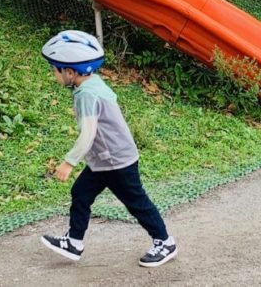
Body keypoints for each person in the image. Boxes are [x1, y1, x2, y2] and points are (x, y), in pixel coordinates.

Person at [39, 30, 177, 268]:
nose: (54, 74)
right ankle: (74, 242)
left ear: (70, 72)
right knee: (81, 194)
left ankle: (165, 242)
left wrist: (69, 162)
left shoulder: (86, 95)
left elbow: (89, 133)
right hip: (104, 160)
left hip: (116, 161)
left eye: (55, 69)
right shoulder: (90, 84)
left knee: (136, 203)